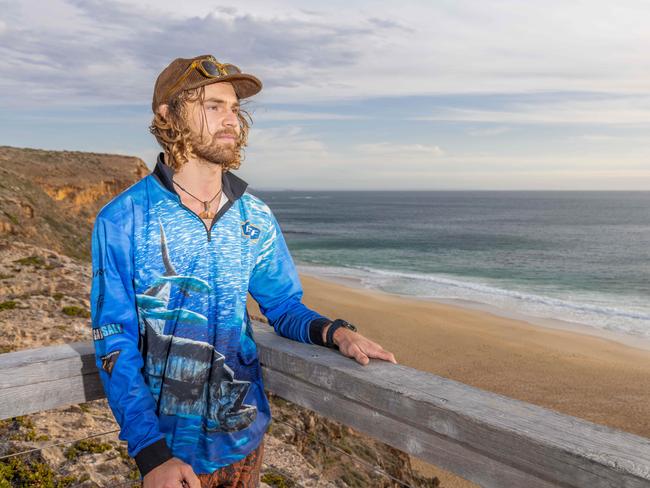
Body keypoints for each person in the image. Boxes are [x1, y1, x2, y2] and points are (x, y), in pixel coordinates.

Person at [90, 54, 397, 488]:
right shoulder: (123, 218)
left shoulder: (254, 216)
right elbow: (113, 339)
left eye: (234, 108)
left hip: (244, 438)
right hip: (167, 454)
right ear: (167, 114)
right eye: (213, 106)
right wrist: (150, 454)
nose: (231, 119)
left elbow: (284, 307)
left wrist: (335, 332)